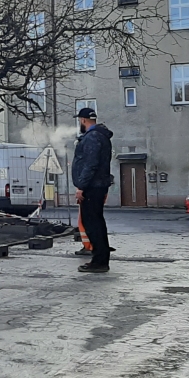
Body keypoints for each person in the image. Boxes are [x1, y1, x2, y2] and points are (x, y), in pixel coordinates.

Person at [71, 107, 114, 273]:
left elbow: (91, 164)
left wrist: (81, 186)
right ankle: (100, 259)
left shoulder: (92, 137)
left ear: (83, 120)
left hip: (92, 187)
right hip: (98, 185)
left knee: (92, 223)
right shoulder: (102, 136)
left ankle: (100, 261)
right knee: (97, 221)